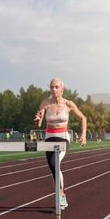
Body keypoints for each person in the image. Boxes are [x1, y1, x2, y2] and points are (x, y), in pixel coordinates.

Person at [34, 78, 87, 210]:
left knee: (54, 163)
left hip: (63, 138)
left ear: (62, 89)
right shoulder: (45, 103)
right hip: (49, 137)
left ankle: (61, 196)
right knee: (53, 169)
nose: (54, 90)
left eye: (56, 87)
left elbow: (83, 118)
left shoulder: (68, 104)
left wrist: (83, 135)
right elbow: (39, 124)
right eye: (51, 87)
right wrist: (38, 119)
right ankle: (62, 194)